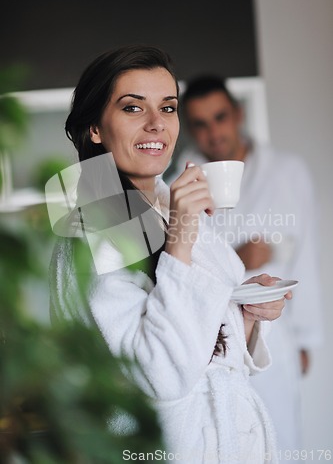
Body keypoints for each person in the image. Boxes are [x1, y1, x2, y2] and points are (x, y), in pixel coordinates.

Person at [49, 46, 292, 464]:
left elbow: (204, 335)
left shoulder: (164, 206)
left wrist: (246, 312)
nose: (156, 124)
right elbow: (160, 374)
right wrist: (181, 233)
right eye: (132, 108)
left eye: (167, 106)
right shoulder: (97, 222)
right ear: (95, 128)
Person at [168, 75, 323, 459]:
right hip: (215, 341)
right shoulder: (182, 183)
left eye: (220, 117)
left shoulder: (288, 172)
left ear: (237, 114)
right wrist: (239, 255)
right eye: (201, 123)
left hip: (277, 330)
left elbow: (307, 256)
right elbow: (180, 267)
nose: (213, 132)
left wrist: (306, 337)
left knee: (283, 441)